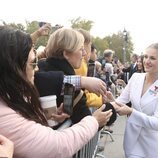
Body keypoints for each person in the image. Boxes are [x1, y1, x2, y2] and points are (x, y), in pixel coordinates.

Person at [0, 26, 113, 158]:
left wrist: (46, 116)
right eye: (33, 62)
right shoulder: (4, 114)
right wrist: (95, 120)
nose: (37, 69)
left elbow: (24, 126)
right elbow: (57, 145)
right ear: (12, 67)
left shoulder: (9, 95)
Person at [112, 43, 158, 158]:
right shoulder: (136, 77)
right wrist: (109, 100)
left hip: (152, 146)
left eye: (152, 58)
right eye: (146, 57)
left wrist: (131, 112)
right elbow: (120, 101)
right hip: (131, 142)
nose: (147, 61)